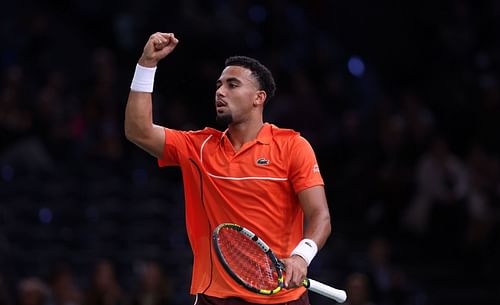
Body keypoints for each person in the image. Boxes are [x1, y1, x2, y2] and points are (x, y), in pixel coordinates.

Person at [125, 32, 332, 305]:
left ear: (259, 97)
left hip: (283, 297)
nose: (220, 92)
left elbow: (320, 215)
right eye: (219, 85)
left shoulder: (292, 146)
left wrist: (301, 256)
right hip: (216, 298)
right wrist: (147, 63)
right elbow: (137, 130)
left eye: (232, 85)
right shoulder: (198, 148)